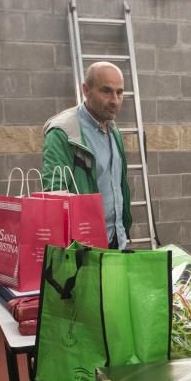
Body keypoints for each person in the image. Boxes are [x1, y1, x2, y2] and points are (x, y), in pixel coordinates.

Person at [42, 61, 131, 250]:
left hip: (117, 239)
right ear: (86, 90)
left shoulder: (113, 130)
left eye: (119, 92)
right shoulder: (63, 132)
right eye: (106, 91)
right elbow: (54, 196)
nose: (115, 100)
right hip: (84, 249)